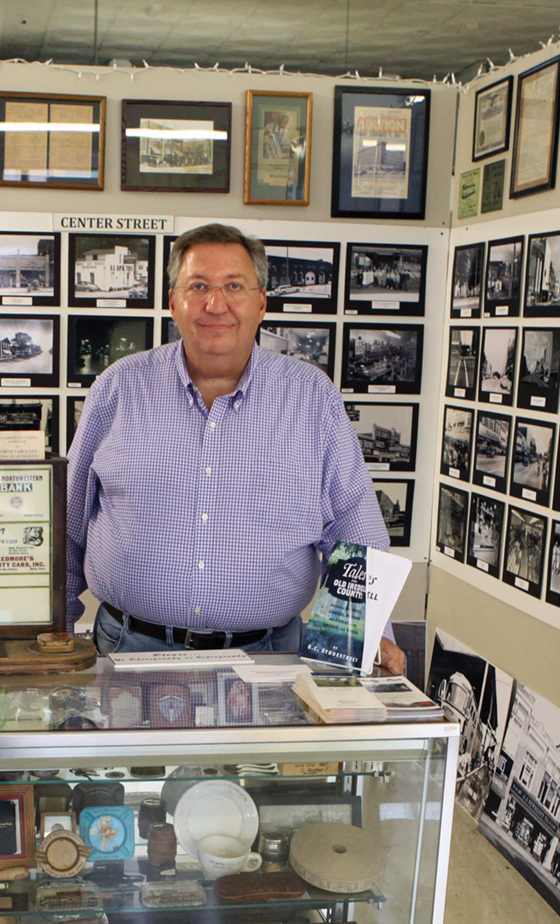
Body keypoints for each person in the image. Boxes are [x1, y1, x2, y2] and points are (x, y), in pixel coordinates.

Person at [66, 222, 406, 673]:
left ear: (261, 302)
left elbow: (354, 529)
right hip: (128, 652)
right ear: (173, 302)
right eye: (198, 286)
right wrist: (54, 631)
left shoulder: (311, 398)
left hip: (268, 659)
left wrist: (371, 637)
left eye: (234, 286)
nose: (215, 304)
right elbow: (69, 527)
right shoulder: (118, 389)